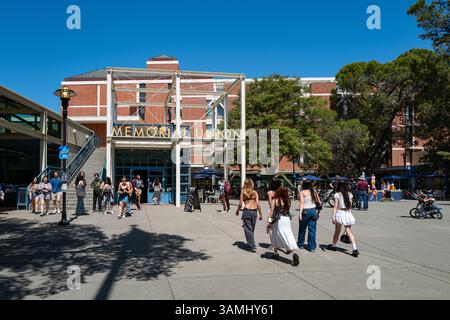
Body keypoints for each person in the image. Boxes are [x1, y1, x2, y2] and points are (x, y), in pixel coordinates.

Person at [268, 187, 300, 266]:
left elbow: (271, 211)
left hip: (278, 220)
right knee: (288, 235)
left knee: (275, 235)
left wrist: (268, 221)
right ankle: (294, 253)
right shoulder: (287, 200)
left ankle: (275, 253)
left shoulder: (275, 200)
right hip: (287, 220)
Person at [328, 181, 359, 257]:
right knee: (349, 231)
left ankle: (334, 245)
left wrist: (333, 216)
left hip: (340, 213)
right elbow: (350, 206)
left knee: (337, 231)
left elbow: (335, 206)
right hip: (347, 213)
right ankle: (355, 248)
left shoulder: (337, 195)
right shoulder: (350, 194)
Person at [235, 179, 263, 252]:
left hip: (247, 211)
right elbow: (258, 203)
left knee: (248, 229)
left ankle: (252, 246)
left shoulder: (243, 192)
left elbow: (241, 204)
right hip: (254, 212)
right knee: (251, 229)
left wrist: (237, 210)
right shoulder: (255, 192)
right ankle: (251, 243)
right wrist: (260, 213)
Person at [298, 179, 320, 252]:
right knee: (312, 230)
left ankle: (300, 244)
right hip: (313, 210)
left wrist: (300, 213)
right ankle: (312, 247)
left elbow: (301, 202)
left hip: (305, 211)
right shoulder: (314, 191)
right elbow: (318, 202)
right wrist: (318, 212)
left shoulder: (302, 192)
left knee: (302, 228)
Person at [266, 179, 282, 244]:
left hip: (272, 210)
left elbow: (270, 203)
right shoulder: (281, 192)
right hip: (280, 210)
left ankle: (273, 243)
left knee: (269, 227)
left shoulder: (269, 193)